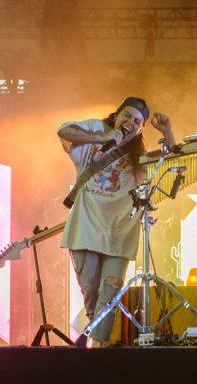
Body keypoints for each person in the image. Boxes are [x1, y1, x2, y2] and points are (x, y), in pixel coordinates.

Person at [57, 97, 175, 347]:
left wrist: (168, 133)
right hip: (85, 228)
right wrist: (105, 137)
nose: (130, 122)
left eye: (137, 121)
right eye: (127, 115)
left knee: (109, 295)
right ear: (117, 114)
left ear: (141, 129)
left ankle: (99, 352)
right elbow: (63, 130)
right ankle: (98, 348)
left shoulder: (139, 156)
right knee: (91, 295)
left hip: (119, 231)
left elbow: (172, 163)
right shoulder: (97, 130)